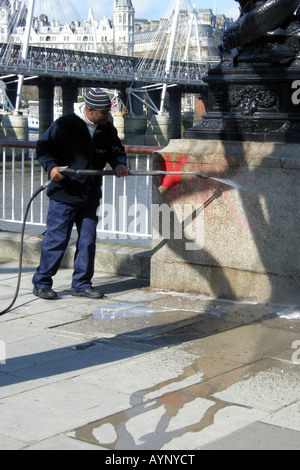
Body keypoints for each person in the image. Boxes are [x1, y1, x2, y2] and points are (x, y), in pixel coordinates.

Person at [32, 88, 128, 300]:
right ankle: (42, 283)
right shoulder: (65, 124)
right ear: (90, 110)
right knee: (56, 240)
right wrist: (51, 168)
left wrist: (120, 163)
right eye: (104, 113)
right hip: (64, 195)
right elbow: (43, 147)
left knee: (87, 241)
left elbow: (116, 150)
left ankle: (81, 284)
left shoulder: (107, 129)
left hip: (89, 194)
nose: (108, 116)